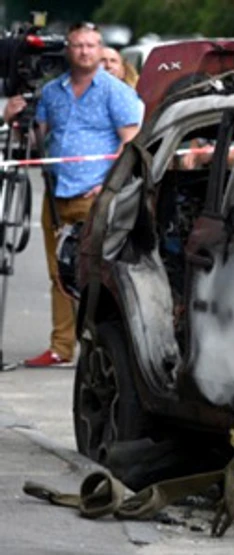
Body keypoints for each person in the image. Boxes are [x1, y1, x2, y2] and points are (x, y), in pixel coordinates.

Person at [2, 22, 142, 367]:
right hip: (57, 192)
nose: (85, 52)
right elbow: (35, 139)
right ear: (68, 49)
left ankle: (99, 344)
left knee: (95, 274)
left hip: (95, 195)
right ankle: (61, 346)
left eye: (91, 46)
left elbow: (131, 141)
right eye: (78, 45)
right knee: (58, 274)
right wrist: (14, 119)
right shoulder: (53, 92)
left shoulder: (114, 91)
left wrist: (109, 184)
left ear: (100, 49)